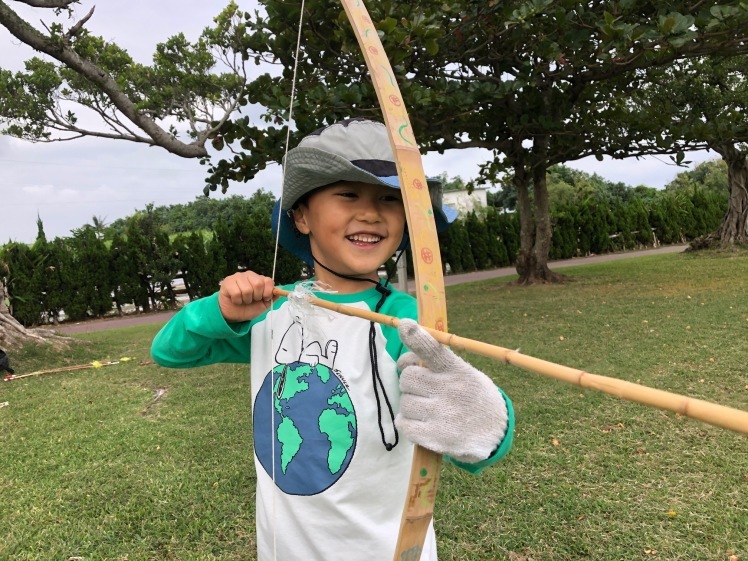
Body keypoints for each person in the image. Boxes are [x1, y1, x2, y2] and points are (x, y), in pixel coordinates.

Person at [151, 118, 514, 561]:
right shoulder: (273, 311)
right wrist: (220, 311)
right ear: (301, 215)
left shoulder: (406, 320)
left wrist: (485, 423)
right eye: (347, 194)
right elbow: (169, 351)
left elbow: (469, 441)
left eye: (389, 198)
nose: (370, 212)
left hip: (387, 549)